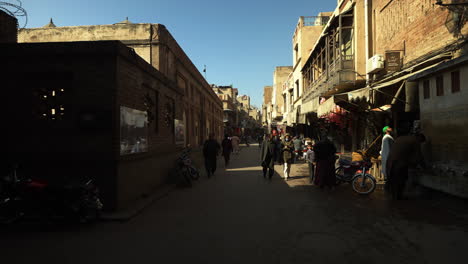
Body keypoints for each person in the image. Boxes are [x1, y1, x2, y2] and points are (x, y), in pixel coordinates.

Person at [386, 133, 426, 200]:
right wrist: (424, 167)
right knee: (401, 179)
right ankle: (398, 196)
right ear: (419, 138)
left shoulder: (402, 138)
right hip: (399, 163)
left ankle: (394, 196)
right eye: (421, 142)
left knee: (393, 178)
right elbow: (419, 156)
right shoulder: (415, 141)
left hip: (390, 161)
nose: (420, 144)